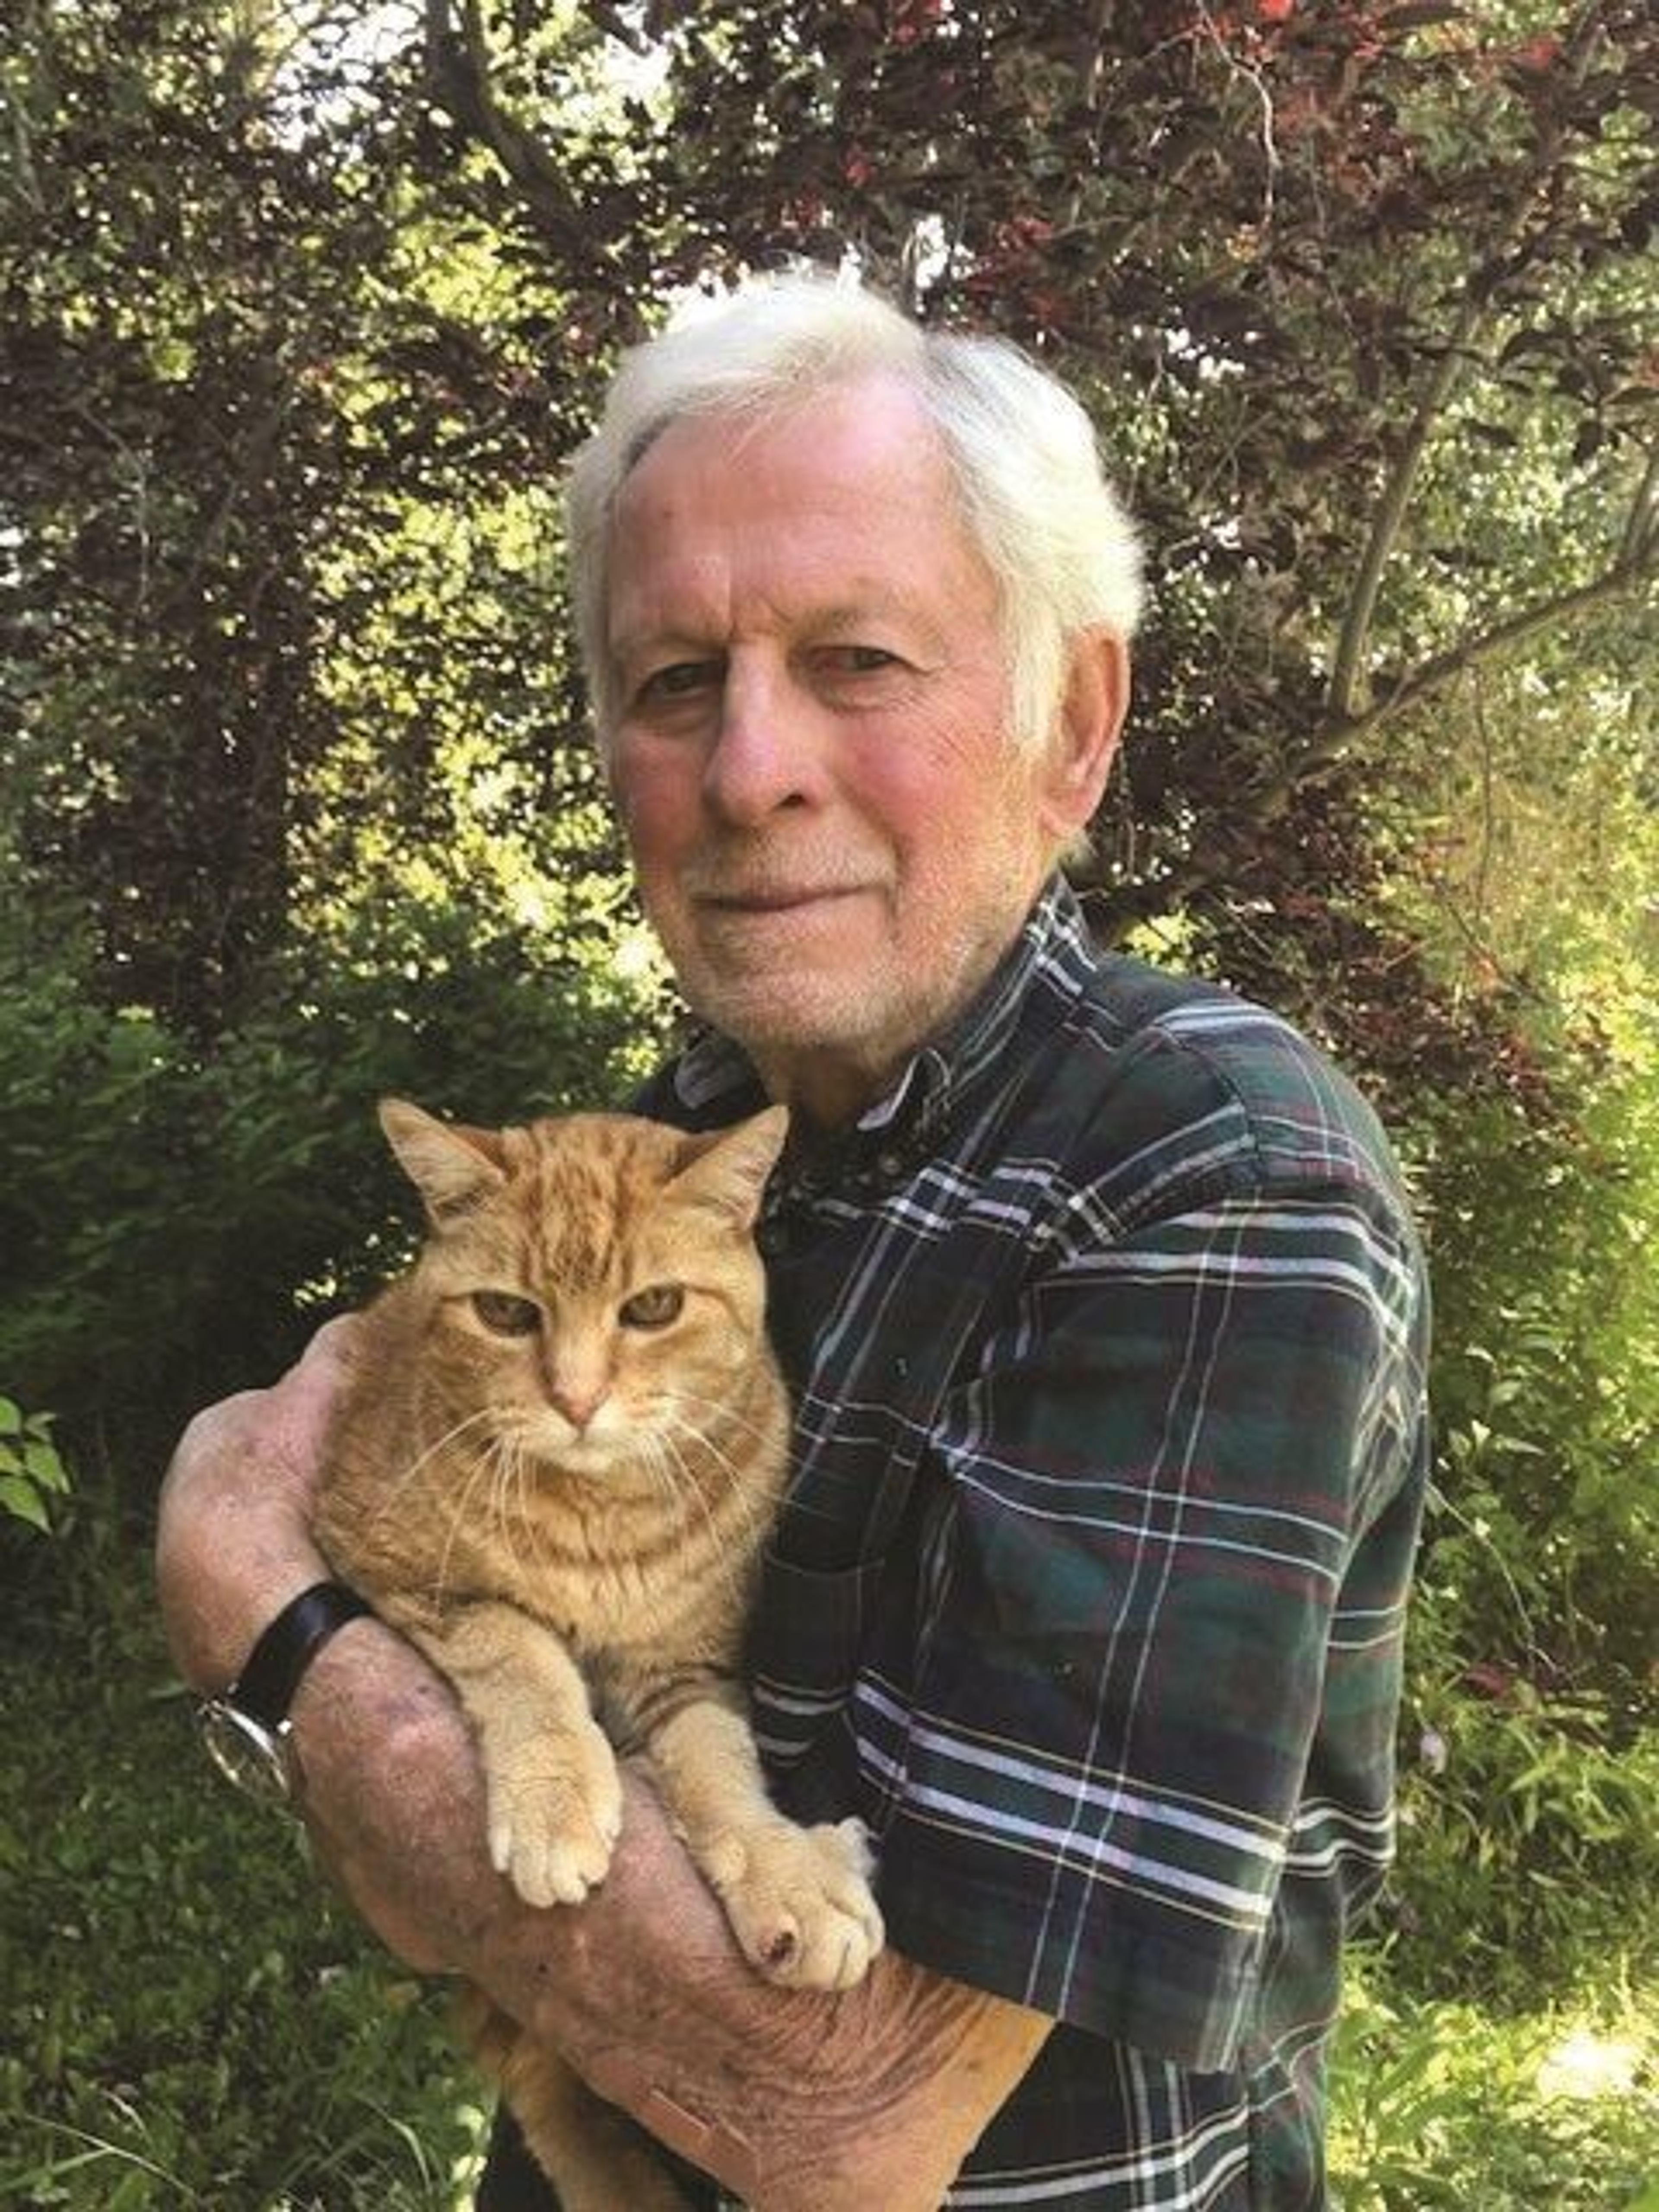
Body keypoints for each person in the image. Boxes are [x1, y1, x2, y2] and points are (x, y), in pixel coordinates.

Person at [157, 274, 1430, 2211]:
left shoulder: (1205, 1170)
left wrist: (271, 1608)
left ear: (1071, 721)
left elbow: (856, 2118)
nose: (752, 768)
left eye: (856, 658)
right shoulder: (694, 1137)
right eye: (678, 680)